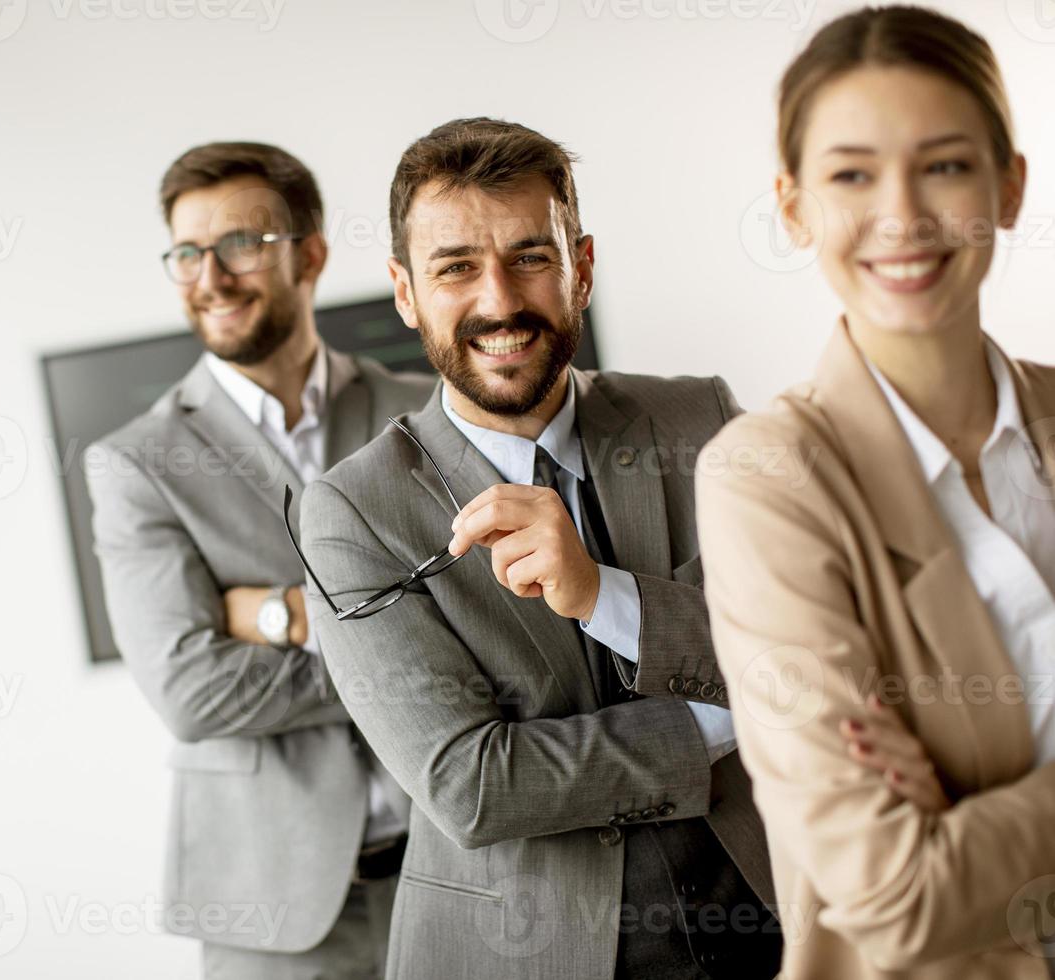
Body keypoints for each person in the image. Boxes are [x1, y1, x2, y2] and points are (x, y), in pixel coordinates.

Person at [295, 117, 783, 979]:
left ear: (581, 267)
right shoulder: (350, 512)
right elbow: (472, 787)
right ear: (405, 292)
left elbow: (801, 652)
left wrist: (604, 595)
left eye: (531, 256)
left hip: (774, 913)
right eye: (455, 268)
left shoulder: (700, 419)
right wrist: (729, 716)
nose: (499, 301)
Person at [695, 7, 1055, 978]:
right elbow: (896, 899)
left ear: (1008, 185)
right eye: (852, 174)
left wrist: (976, 807)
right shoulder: (764, 475)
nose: (901, 215)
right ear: (794, 205)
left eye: (943, 163)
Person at [83, 141, 433, 978]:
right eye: (186, 253)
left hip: (460, 871)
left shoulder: (424, 412)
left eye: (241, 244)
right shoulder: (136, 463)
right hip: (272, 910)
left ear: (309, 254)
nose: (210, 276)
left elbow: (508, 627)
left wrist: (270, 615)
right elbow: (193, 693)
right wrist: (414, 657)